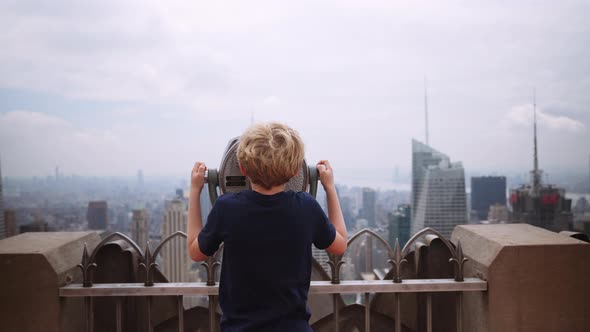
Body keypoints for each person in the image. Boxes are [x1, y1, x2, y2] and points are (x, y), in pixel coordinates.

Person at [187, 122, 348, 331]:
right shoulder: (305, 207)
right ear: (296, 170)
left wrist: (195, 190)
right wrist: (329, 187)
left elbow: (195, 252)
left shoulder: (227, 209)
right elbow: (340, 245)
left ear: (242, 168)